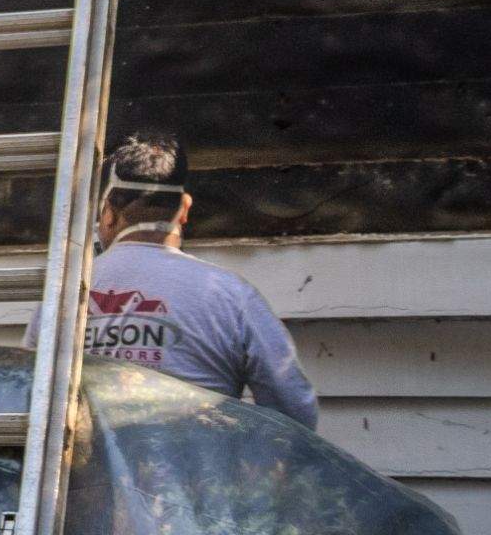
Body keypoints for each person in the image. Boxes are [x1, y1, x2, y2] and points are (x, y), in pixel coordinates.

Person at [27, 133, 318, 426]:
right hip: (197, 471)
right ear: (185, 209)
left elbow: (28, 390)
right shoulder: (231, 296)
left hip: (87, 471)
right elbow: (296, 410)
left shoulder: (64, 293)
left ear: (109, 214)